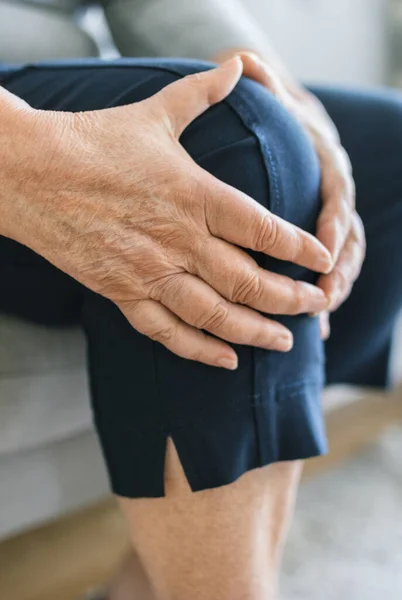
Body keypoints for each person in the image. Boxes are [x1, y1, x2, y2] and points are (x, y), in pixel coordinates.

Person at [1, 1, 401, 599]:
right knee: (227, 148)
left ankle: (145, 587)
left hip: (70, 73)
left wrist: (272, 83)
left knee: (380, 151)